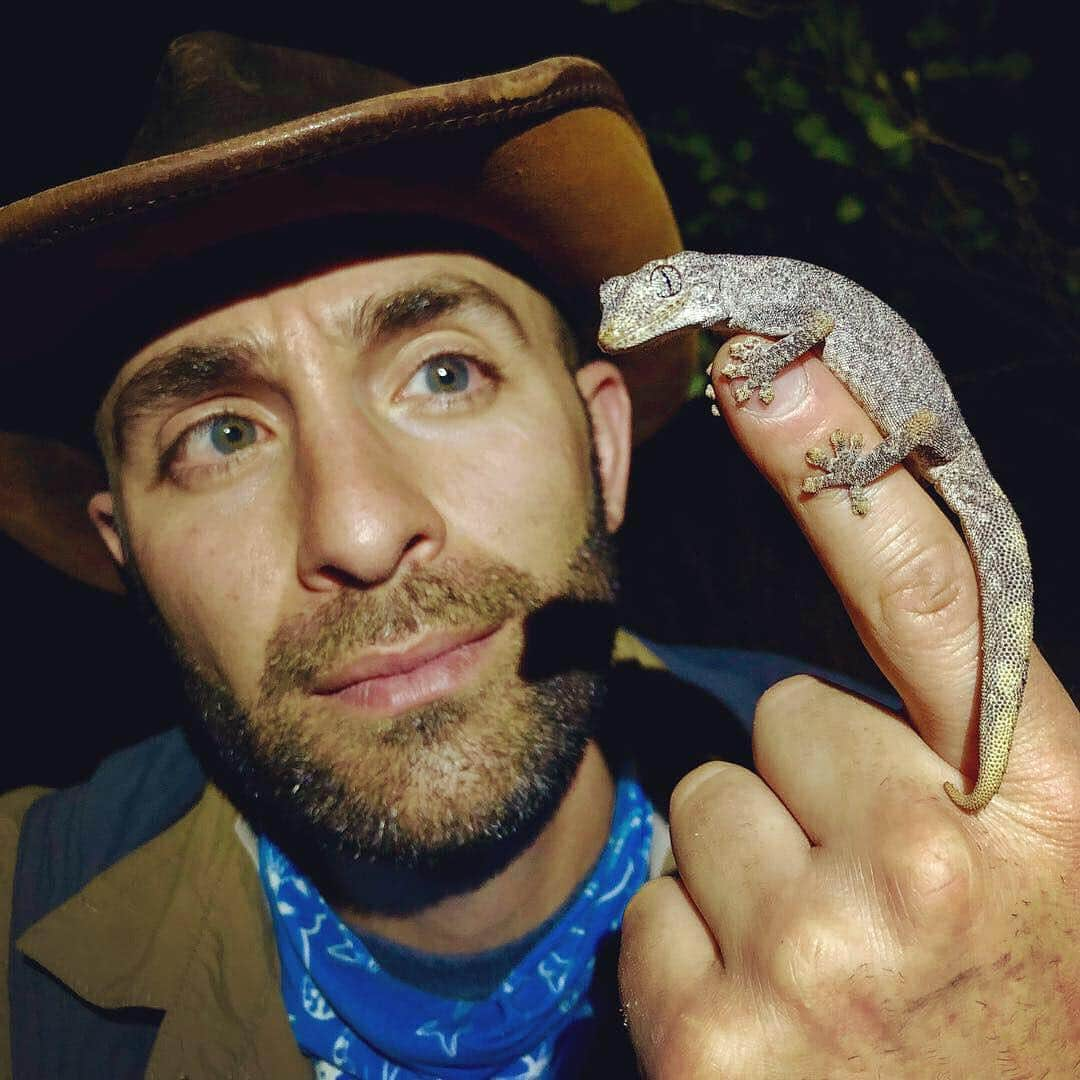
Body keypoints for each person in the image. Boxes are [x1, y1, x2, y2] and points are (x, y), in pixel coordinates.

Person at [2, 31, 1078, 1080]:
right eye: (221, 436)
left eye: (444, 374)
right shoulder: (26, 913)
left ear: (605, 446)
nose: (361, 533)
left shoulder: (977, 873)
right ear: (125, 551)